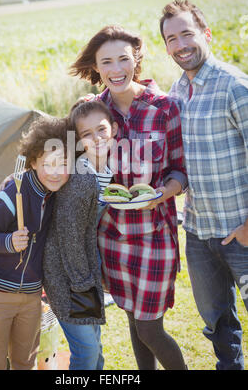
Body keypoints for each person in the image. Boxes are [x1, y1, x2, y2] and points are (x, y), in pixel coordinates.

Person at [69, 25, 188, 370]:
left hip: (154, 234)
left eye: (124, 58)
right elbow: (74, 170)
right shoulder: (90, 112)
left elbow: (180, 170)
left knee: (150, 327)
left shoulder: (165, 107)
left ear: (136, 59)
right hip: (110, 235)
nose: (116, 68)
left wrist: (165, 192)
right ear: (96, 66)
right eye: (107, 61)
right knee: (134, 322)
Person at [160, 0, 248, 370]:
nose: (181, 44)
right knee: (218, 324)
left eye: (187, 34)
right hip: (197, 234)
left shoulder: (235, 86)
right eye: (171, 38)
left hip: (241, 230)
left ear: (206, 34)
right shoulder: (175, 94)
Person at [0, 116, 69, 370]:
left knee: (25, 362)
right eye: (49, 164)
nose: (56, 171)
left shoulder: (55, 196)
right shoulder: (10, 194)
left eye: (63, 164)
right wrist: (8, 241)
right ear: (34, 160)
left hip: (31, 296)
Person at [43, 99, 118, 370]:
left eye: (101, 130)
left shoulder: (108, 170)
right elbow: (69, 235)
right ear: (77, 141)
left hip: (87, 269)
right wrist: (83, 284)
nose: (96, 139)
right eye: (86, 134)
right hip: (67, 274)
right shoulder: (80, 177)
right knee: (86, 350)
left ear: (115, 130)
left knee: (95, 349)